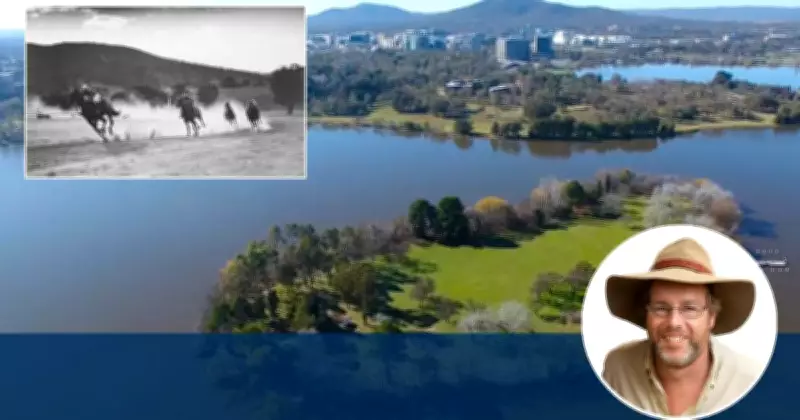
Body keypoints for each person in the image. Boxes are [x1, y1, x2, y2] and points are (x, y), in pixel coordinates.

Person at [601, 237, 758, 418]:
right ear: (647, 314)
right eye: (661, 308)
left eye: (690, 309)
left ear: (712, 317)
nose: (674, 322)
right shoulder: (618, 367)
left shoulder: (747, 381)